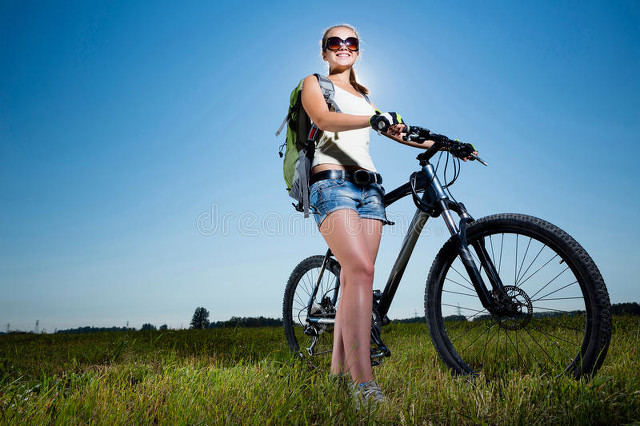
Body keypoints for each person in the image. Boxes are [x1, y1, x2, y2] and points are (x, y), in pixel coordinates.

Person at [301, 24, 428, 407]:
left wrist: (446, 142)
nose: (343, 46)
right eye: (334, 42)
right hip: (331, 184)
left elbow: (401, 134)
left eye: (350, 42)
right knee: (358, 270)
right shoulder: (315, 83)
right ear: (324, 51)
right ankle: (364, 386)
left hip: (370, 190)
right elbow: (323, 120)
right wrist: (373, 119)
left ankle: (338, 377)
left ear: (358, 50)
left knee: (358, 281)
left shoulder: (367, 98)